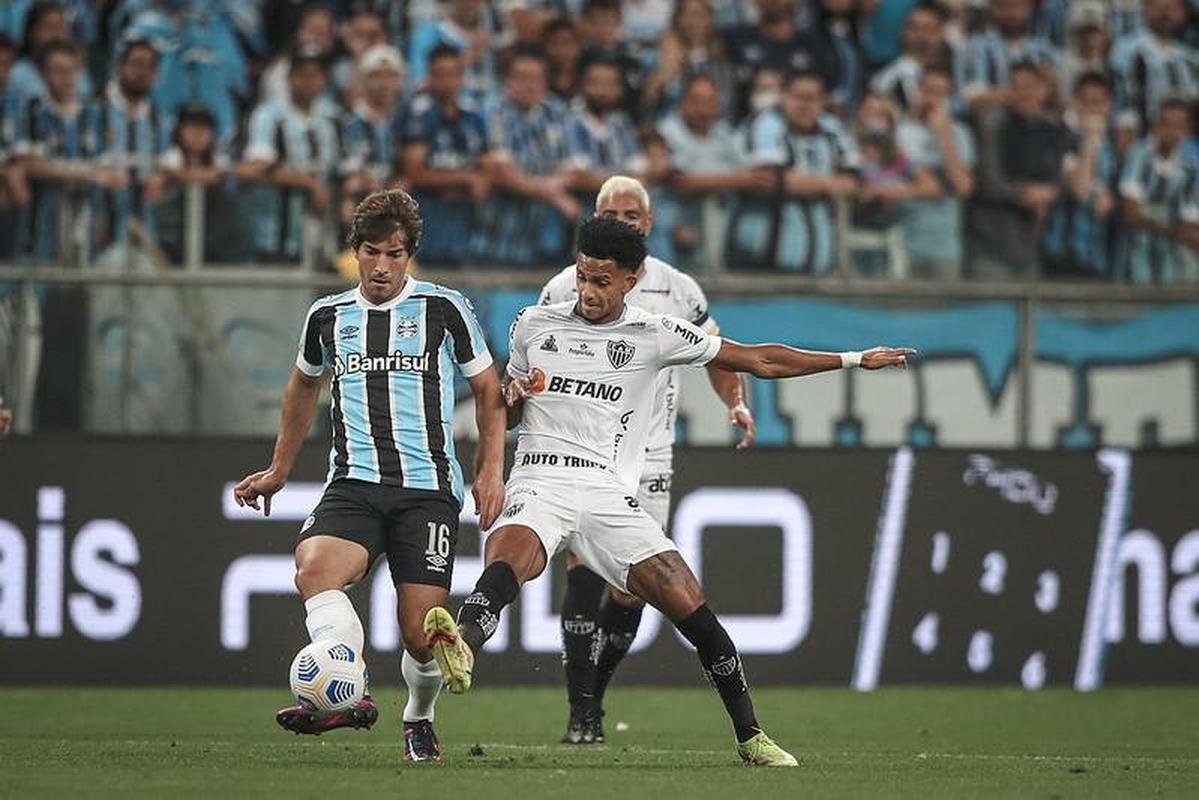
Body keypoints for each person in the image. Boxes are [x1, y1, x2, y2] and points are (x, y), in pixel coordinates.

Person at [421, 214, 913, 766]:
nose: (587, 291)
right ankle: (461, 641)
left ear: (631, 280)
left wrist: (851, 360)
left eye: (602, 281)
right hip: (542, 476)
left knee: (690, 605)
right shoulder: (535, 326)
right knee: (513, 554)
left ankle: (751, 736)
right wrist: (514, 398)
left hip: (608, 491)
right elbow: (504, 412)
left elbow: (758, 358)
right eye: (583, 277)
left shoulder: (656, 333)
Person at [233, 188, 507, 763]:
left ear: (410, 256)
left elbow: (487, 389)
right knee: (313, 567)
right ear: (355, 251)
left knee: (420, 634)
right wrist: (279, 469)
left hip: (427, 490)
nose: (382, 266)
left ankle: (418, 716)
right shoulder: (328, 316)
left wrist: (489, 471)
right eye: (372, 252)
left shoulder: (444, 309)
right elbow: (302, 386)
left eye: (396, 254)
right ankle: (345, 690)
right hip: (353, 485)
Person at [537, 176, 755, 744]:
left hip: (650, 451)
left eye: (633, 213)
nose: (624, 220)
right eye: (612, 211)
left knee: (631, 589)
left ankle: (597, 693)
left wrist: (734, 400)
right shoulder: (564, 285)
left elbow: (715, 352)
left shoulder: (678, 289)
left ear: (649, 224)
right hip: (583, 448)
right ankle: (580, 709)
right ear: (594, 216)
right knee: (582, 573)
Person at [401, 43, 493, 266]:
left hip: (465, 222)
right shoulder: (417, 114)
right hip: (427, 220)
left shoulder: (474, 117)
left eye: (452, 74)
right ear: (429, 76)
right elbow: (414, 172)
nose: (446, 82)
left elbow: (486, 170)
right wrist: (464, 178)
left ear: (461, 77)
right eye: (439, 74)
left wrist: (473, 182)